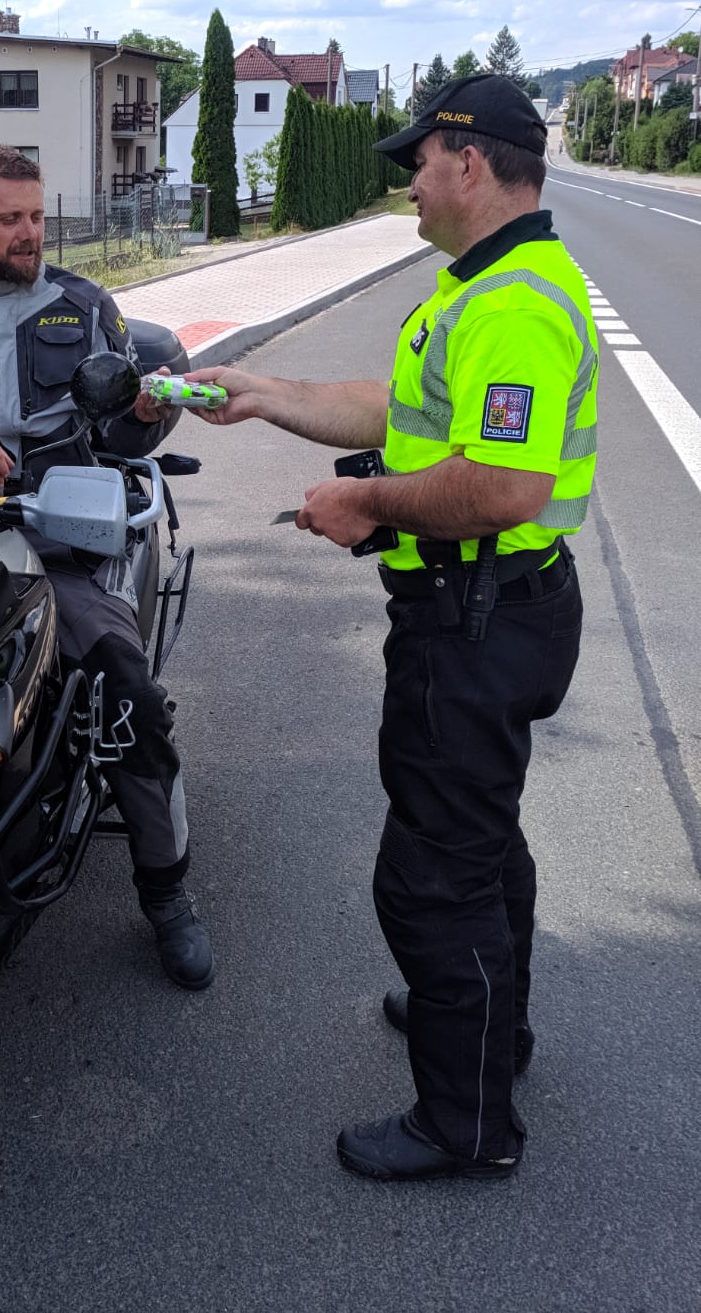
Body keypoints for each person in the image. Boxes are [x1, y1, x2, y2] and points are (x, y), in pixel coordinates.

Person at [188, 74, 597, 1177]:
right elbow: (401, 412)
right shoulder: (486, 285)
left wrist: (361, 503)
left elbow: (503, 484)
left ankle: (465, 1122)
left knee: (433, 874)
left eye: (418, 160)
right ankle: (486, 1036)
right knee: (478, 839)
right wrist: (266, 392)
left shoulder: (510, 305)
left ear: (469, 161)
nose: (409, 181)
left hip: (474, 620)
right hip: (491, 612)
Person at [0, 143, 215, 990]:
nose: (31, 233)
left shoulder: (83, 305)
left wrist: (145, 413)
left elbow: (121, 436)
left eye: (37, 216)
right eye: (11, 219)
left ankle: (167, 892)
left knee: (126, 693)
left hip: (52, 550)